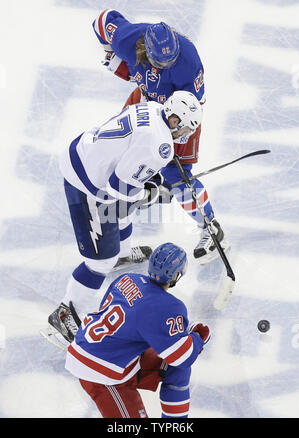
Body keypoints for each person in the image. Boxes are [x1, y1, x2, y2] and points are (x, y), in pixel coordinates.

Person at [46, 90, 203, 344]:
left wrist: (150, 181)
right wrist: (150, 194)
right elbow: (118, 187)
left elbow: (129, 152)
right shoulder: (160, 146)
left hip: (83, 152)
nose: (186, 135)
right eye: (186, 128)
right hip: (86, 184)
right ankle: (66, 313)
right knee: (100, 263)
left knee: (123, 212)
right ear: (175, 120)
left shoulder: (152, 108)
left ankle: (121, 253)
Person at [92, 9, 230, 264]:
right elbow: (103, 20)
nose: (167, 65)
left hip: (180, 117)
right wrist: (111, 54)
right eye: (160, 62)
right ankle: (121, 250)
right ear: (146, 47)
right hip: (143, 105)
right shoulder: (128, 39)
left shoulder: (189, 65)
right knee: (121, 163)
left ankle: (212, 230)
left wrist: (171, 141)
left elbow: (192, 110)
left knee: (178, 177)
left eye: (170, 61)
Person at [65, 242, 210, 418]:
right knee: (178, 362)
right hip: (101, 373)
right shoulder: (169, 306)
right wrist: (199, 336)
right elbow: (182, 356)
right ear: (177, 275)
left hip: (91, 348)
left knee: (174, 368)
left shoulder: (126, 278)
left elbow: (133, 318)